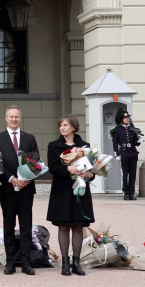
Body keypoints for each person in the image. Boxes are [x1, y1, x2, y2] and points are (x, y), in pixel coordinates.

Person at [46, 114, 96, 276]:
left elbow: (92, 170)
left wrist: (88, 175)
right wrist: (68, 169)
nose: (62, 128)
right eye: (61, 125)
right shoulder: (53, 146)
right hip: (61, 189)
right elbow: (52, 167)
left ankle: (76, 261)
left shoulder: (85, 146)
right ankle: (65, 263)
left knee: (77, 226)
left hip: (79, 191)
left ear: (73, 127)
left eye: (66, 125)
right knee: (63, 226)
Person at [0, 106, 38, 275]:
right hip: (7, 188)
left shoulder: (30, 138)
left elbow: (36, 161)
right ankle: (10, 262)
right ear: (6, 118)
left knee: (26, 226)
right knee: (8, 226)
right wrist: (12, 179)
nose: (14, 119)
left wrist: (26, 179)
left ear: (20, 118)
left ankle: (26, 263)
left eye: (16, 117)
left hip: (26, 189)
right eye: (11, 117)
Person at [111, 108, 140, 200]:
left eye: (128, 118)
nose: (127, 119)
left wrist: (139, 141)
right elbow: (115, 142)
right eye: (125, 118)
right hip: (123, 153)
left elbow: (135, 142)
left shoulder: (132, 129)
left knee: (132, 174)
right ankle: (125, 192)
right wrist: (116, 154)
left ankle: (132, 193)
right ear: (122, 119)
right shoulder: (117, 129)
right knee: (124, 174)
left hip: (133, 153)